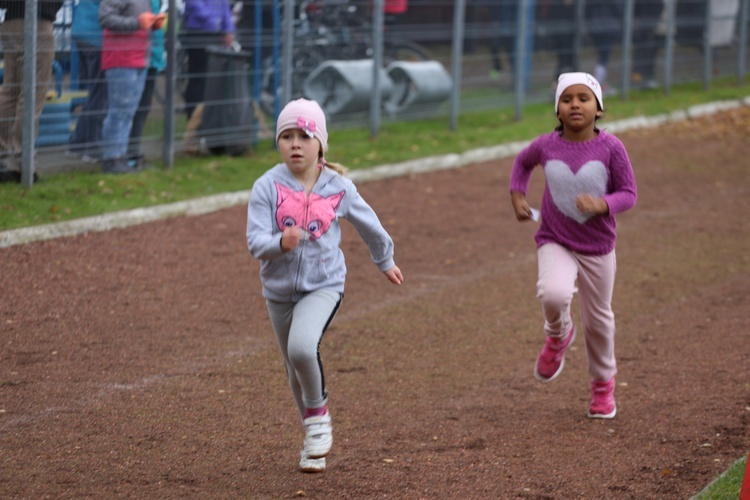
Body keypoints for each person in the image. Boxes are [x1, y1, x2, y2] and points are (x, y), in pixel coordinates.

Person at [246, 99, 404, 473]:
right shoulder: (266, 186)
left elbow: (370, 226)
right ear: (278, 142)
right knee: (292, 369)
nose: (295, 144)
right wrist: (278, 243)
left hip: (324, 284)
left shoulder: (339, 187)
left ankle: (319, 419)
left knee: (302, 348)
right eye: (287, 136)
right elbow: (256, 242)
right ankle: (312, 441)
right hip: (278, 291)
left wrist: (386, 261)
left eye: (305, 135)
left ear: (321, 144)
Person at [509, 72, 637, 419]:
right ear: (558, 109)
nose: (575, 104)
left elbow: (629, 194)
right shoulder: (546, 145)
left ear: (598, 108)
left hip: (597, 246)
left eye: (584, 98)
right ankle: (558, 334)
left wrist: (602, 204)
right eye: (567, 99)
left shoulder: (612, 147)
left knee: (599, 322)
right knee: (552, 293)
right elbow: (522, 162)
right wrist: (518, 194)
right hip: (555, 238)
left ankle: (602, 386)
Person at [0, 0, 64, 183]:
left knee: (9, 92)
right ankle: (23, 162)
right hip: (37, 22)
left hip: (11, 22)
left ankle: (3, 155)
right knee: (31, 95)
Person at [98, 0, 165, 174]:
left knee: (129, 111)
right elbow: (105, 18)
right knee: (119, 111)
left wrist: (153, 24)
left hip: (140, 58)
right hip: (121, 59)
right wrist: (137, 23)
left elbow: (139, 20)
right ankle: (111, 158)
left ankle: (120, 156)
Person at [126, 0, 167, 170]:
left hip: (152, 57)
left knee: (143, 107)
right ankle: (127, 155)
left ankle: (133, 152)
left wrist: (156, 23)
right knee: (130, 108)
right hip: (135, 57)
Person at [180, 0, 236, 122]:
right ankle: (193, 119)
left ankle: (209, 120)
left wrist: (229, 28)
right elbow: (194, 4)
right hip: (198, 35)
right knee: (198, 78)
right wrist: (213, 21)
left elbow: (224, 6)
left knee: (213, 80)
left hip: (215, 35)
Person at [67, 0, 107, 163]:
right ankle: (94, 148)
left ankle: (77, 143)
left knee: (94, 94)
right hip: (96, 37)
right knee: (101, 95)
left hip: (81, 33)